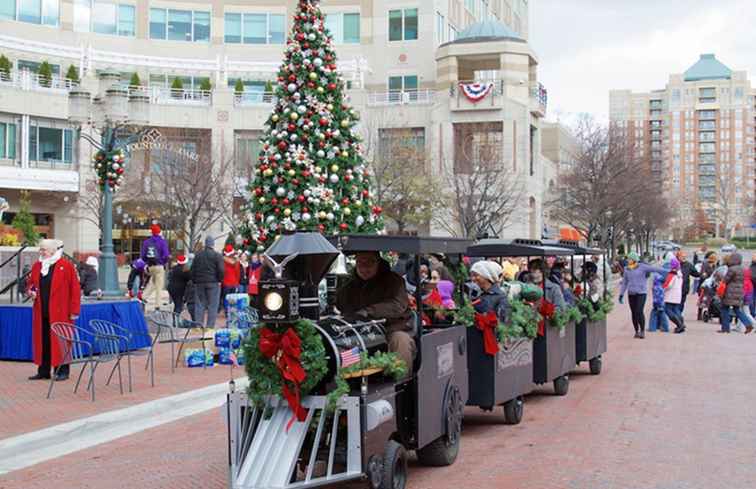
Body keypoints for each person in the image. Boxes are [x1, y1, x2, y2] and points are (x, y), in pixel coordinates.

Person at [336, 251, 415, 371]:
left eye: (370, 262)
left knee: (400, 340)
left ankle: (401, 383)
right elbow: (342, 307)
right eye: (360, 262)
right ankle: (347, 381)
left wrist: (368, 311)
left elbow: (397, 305)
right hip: (361, 332)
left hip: (392, 328)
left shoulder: (394, 281)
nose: (364, 267)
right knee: (341, 343)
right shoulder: (349, 286)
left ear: (379, 263)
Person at [26, 239, 81, 381]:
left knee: (60, 341)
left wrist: (74, 310)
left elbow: (75, 289)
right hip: (41, 311)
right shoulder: (37, 266)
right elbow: (31, 284)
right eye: (41, 249)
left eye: (44, 249)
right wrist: (31, 291)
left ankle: (62, 370)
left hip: (61, 312)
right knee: (43, 341)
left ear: (52, 250)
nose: (41, 252)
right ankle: (43, 370)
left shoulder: (66, 265)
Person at [618, 252, 666, 339]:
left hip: (641, 293)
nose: (628, 260)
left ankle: (642, 331)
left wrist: (668, 271)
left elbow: (655, 269)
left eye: (629, 259)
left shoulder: (642, 267)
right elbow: (625, 282)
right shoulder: (626, 269)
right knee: (633, 313)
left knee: (639, 311)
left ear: (634, 259)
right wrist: (621, 294)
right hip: (631, 293)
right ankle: (636, 331)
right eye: (628, 259)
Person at [191, 236, 224, 328]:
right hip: (213, 282)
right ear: (213, 244)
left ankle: (198, 325)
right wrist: (219, 280)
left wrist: (194, 280)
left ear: (205, 244)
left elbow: (193, 269)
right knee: (213, 305)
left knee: (199, 305)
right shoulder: (217, 255)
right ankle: (210, 327)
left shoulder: (198, 255)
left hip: (199, 283)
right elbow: (221, 270)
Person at [718, 252, 753, 334]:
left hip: (730, 292)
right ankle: (748, 324)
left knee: (724, 308)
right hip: (740, 291)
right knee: (737, 310)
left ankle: (725, 328)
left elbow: (726, 280)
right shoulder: (743, 269)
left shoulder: (732, 269)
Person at [140, 224, 170, 310]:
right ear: (159, 232)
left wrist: (148, 263)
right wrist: (163, 262)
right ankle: (157, 306)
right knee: (159, 286)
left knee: (152, 282)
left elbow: (143, 256)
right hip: (159, 266)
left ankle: (143, 297)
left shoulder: (146, 242)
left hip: (150, 266)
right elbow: (166, 255)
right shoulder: (162, 241)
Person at [663, 258, 686, 334]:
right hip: (678, 294)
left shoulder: (671, 274)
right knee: (676, 309)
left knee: (668, 310)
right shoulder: (680, 274)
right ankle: (681, 323)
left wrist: (663, 288)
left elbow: (668, 285)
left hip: (670, 295)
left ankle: (679, 325)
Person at [220, 245, 241, 315]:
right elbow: (237, 273)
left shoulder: (222, 261)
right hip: (234, 283)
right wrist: (237, 283)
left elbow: (221, 272)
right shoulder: (236, 262)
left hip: (226, 283)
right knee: (233, 299)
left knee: (226, 298)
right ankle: (231, 312)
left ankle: (227, 312)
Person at [648, 268, 670, 333]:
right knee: (661, 312)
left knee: (655, 312)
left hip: (657, 300)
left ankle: (652, 327)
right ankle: (664, 327)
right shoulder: (661, 285)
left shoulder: (656, 285)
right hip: (660, 300)